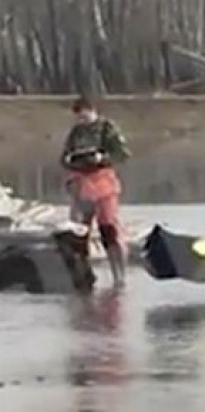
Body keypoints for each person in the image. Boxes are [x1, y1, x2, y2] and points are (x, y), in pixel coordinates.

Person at [61, 96, 131, 287]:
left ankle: (119, 277)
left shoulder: (107, 128)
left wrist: (102, 157)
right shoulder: (76, 132)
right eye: (79, 118)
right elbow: (64, 156)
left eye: (85, 117)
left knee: (108, 228)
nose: (82, 122)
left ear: (93, 111)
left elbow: (122, 154)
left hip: (103, 183)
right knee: (78, 232)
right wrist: (70, 160)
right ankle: (83, 275)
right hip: (81, 184)